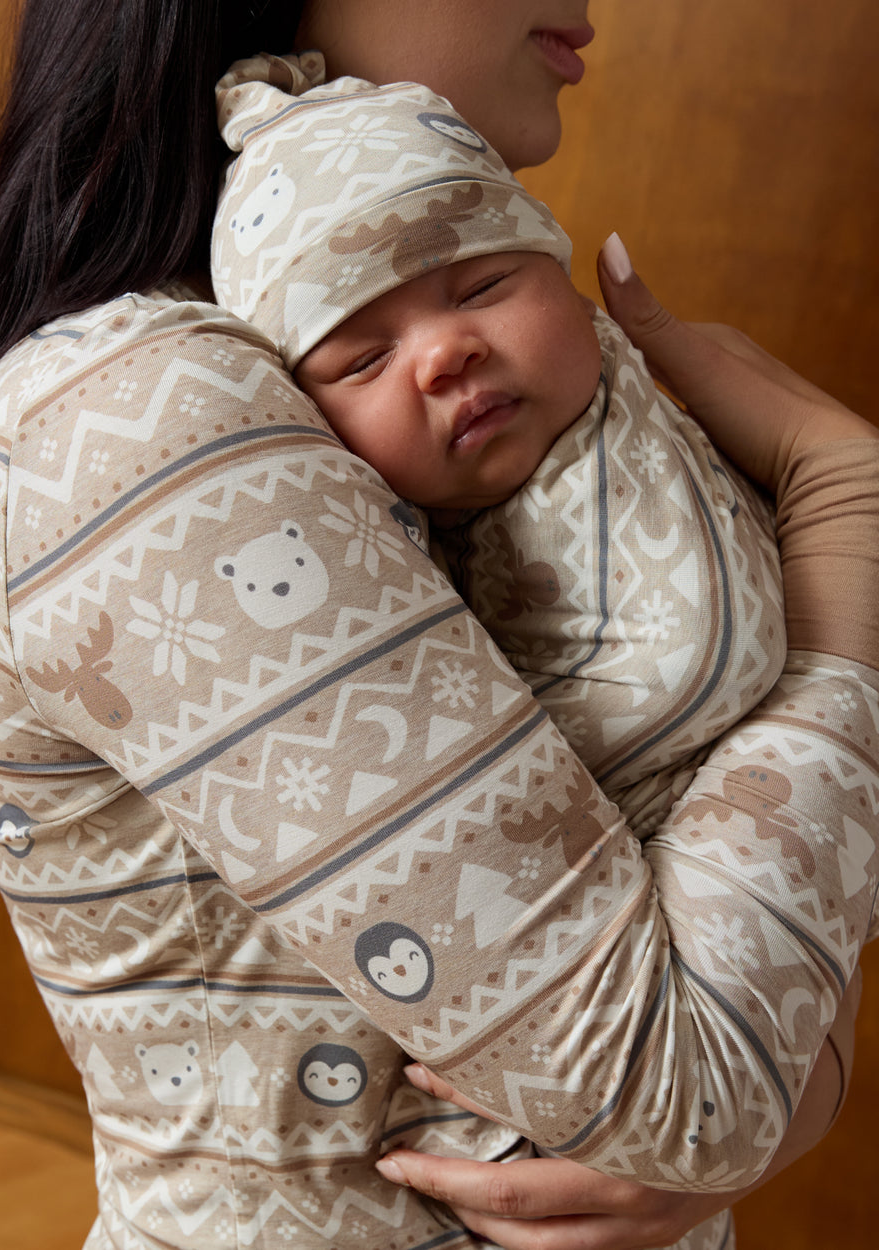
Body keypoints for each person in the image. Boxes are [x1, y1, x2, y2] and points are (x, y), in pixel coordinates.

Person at [0, 5, 876, 1250]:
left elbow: (712, 1053)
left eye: (482, 284)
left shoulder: (503, 429)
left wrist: (783, 1074)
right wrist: (846, 532)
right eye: (361, 348)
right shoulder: (144, 415)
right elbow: (683, 1090)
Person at [212, 65, 785, 836]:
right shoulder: (391, 572)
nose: (444, 353)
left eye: (481, 287)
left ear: (564, 275)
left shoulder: (700, 386)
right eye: (365, 360)